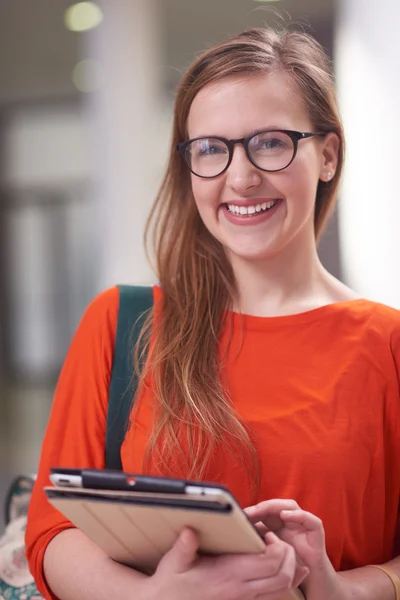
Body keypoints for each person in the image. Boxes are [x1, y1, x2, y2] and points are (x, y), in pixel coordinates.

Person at [25, 24, 400, 600]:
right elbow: (53, 531)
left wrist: (342, 591)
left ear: (327, 155)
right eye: (211, 149)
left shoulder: (387, 343)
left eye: (270, 142)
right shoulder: (124, 325)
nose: (240, 176)